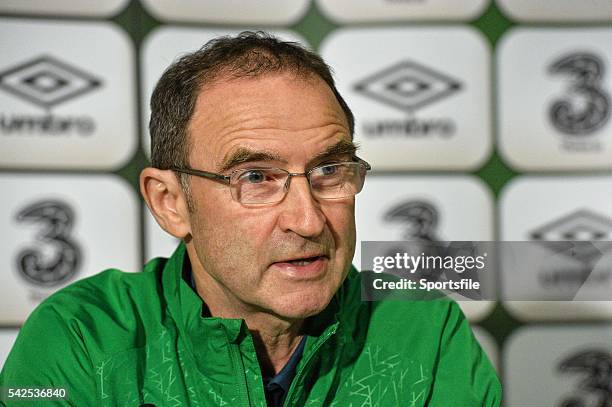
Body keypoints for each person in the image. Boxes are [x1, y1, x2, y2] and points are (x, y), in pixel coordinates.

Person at [0, 31, 501, 406]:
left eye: (329, 169)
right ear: (170, 201)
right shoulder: (83, 336)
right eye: (256, 177)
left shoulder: (422, 328)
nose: (308, 221)